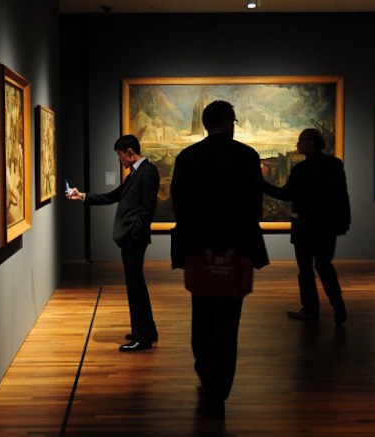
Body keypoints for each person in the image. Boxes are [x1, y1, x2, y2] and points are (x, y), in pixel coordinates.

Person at [170, 100, 269, 419]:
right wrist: (233, 244)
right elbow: (254, 207)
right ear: (228, 122)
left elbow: (181, 206)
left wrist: (200, 245)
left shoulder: (188, 156)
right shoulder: (247, 156)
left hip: (200, 251)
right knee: (229, 323)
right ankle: (219, 390)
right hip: (236, 250)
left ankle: (205, 373)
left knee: (202, 315)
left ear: (205, 123)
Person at [67, 135, 160, 352]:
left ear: (129, 152)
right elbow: (113, 196)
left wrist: (134, 235)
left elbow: (147, 209)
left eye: (120, 156)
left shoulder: (147, 172)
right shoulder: (135, 174)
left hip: (133, 239)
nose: (120, 161)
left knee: (135, 286)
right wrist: (82, 196)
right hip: (130, 238)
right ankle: (147, 329)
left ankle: (142, 336)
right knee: (135, 284)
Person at [263, 127, 351, 325]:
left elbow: (286, 195)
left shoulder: (301, 170)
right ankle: (338, 307)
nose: (298, 145)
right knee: (324, 265)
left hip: (304, 227)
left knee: (305, 269)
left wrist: (263, 185)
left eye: (301, 141)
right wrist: (344, 222)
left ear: (311, 143)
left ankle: (310, 309)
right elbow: (342, 196)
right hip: (327, 226)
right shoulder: (335, 165)